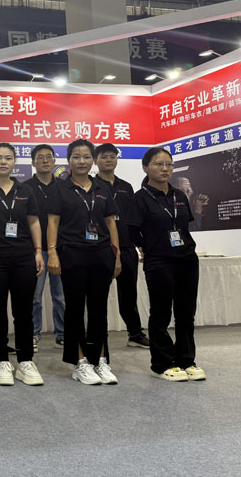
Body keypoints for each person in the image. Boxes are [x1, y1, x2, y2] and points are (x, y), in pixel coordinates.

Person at [47, 139, 122, 385]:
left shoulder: (102, 187)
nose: (81, 161)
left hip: (101, 254)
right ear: (69, 160)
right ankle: (79, 362)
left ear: (93, 160)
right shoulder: (60, 188)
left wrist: (116, 254)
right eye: (76, 157)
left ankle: (100, 359)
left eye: (86, 156)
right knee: (75, 309)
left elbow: (110, 222)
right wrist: (52, 253)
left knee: (99, 309)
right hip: (72, 254)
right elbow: (53, 222)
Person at [127, 148, 206, 382]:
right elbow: (132, 231)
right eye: (158, 164)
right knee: (161, 313)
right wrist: (148, 246)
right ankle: (161, 364)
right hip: (159, 260)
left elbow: (184, 225)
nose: (165, 169)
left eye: (169, 164)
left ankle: (186, 360)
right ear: (145, 168)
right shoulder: (139, 198)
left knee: (186, 313)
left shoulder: (179, 195)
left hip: (187, 259)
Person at [0, 143, 45, 386]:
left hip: (23, 257)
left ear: (14, 162)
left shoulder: (26, 190)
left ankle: (25, 360)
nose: (3, 162)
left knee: (23, 310)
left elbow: (34, 222)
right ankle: (1, 359)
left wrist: (38, 252)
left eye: (8, 158)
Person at [95, 143, 150, 349]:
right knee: (97, 295)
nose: (109, 160)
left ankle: (134, 334)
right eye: (104, 157)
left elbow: (134, 218)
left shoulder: (126, 187)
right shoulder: (92, 185)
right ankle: (97, 335)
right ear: (95, 160)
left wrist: (140, 242)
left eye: (112, 156)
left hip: (126, 247)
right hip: (100, 247)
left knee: (129, 294)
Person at [27, 144, 65, 351]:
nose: (44, 160)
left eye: (48, 157)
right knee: (35, 296)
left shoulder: (64, 186)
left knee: (61, 296)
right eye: (40, 157)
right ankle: (34, 333)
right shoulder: (25, 187)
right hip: (36, 249)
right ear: (33, 162)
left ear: (54, 161)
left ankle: (62, 334)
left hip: (61, 248)